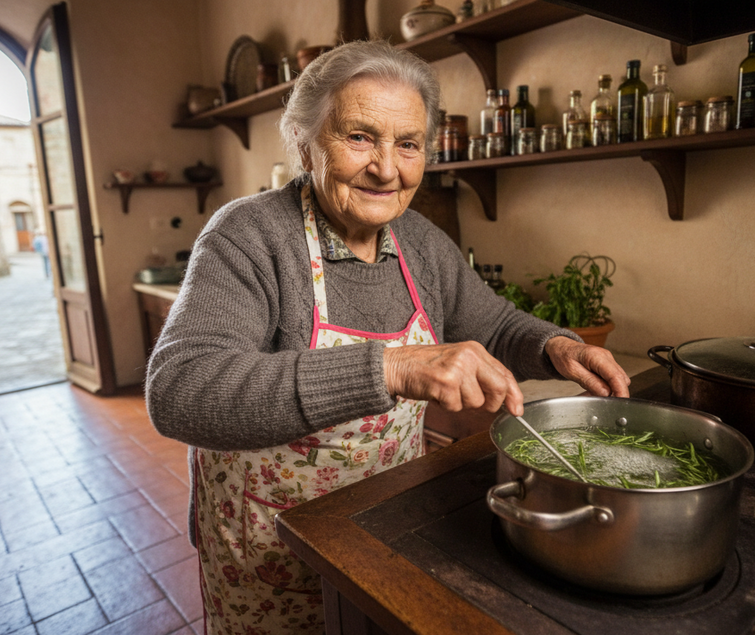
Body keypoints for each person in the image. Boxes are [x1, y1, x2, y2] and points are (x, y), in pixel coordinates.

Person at [145, 40, 630, 634]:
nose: (387, 168)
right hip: (269, 545)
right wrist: (391, 369)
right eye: (359, 137)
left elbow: (493, 321)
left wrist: (559, 346)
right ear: (303, 142)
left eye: (408, 145)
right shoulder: (249, 236)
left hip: (382, 529)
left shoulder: (419, 240)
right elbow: (180, 390)